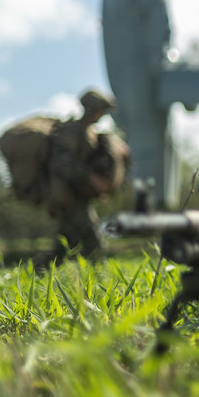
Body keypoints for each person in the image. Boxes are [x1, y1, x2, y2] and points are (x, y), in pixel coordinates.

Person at [37, 89, 129, 267]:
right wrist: (93, 180)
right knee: (92, 242)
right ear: (93, 109)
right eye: (102, 110)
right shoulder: (72, 131)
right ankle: (99, 276)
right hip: (67, 195)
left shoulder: (89, 132)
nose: (103, 115)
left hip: (78, 195)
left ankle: (37, 270)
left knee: (66, 244)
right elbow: (62, 163)